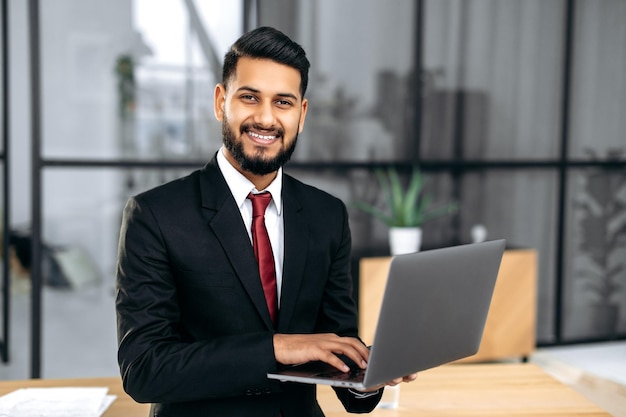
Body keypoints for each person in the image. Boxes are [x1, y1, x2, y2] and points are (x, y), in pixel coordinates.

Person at [115, 26, 416, 417]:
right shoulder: (154, 215)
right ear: (221, 101)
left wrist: (364, 374)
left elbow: (336, 341)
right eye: (250, 97)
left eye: (283, 102)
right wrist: (276, 347)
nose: (266, 118)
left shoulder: (327, 215)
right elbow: (144, 370)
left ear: (301, 114)